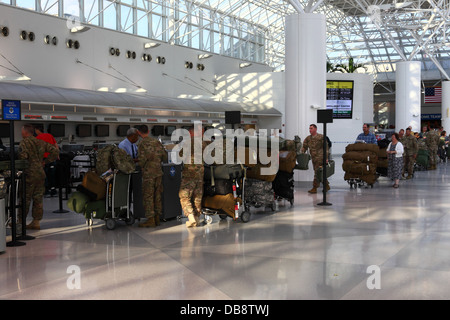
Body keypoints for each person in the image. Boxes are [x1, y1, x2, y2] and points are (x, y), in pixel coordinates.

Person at [18, 124, 59, 230]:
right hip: (40, 173)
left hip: (29, 174)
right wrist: (45, 161)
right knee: (38, 198)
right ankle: (36, 222)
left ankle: (20, 222)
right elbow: (55, 151)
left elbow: (23, 158)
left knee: (25, 198)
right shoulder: (40, 142)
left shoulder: (24, 143)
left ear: (25, 132)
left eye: (22, 131)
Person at [137, 124, 167, 227]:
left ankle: (150, 219)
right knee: (157, 195)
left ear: (139, 132)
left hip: (148, 174)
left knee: (148, 196)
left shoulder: (142, 144)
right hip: (158, 173)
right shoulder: (157, 142)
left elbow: (141, 161)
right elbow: (164, 157)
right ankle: (157, 218)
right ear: (148, 131)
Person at [178, 125, 208, 228]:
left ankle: (190, 218)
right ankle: (197, 219)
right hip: (200, 173)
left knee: (184, 195)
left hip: (189, 174)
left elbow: (180, 155)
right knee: (197, 196)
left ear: (190, 133)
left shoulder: (187, 143)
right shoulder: (203, 143)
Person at [301, 124, 329, 194]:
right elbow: (304, 146)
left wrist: (326, 158)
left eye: (311, 128)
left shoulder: (321, 137)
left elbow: (326, 148)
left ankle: (314, 187)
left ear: (315, 129)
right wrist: (302, 153)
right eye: (309, 128)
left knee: (317, 172)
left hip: (320, 157)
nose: (310, 130)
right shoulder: (308, 138)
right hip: (313, 158)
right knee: (320, 172)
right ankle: (326, 185)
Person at [34, 126, 59, 196]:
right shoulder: (49, 135)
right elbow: (56, 146)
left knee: (44, 175)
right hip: (52, 158)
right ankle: (53, 190)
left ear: (37, 130)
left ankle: (46, 191)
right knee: (52, 175)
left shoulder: (37, 138)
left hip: (44, 159)